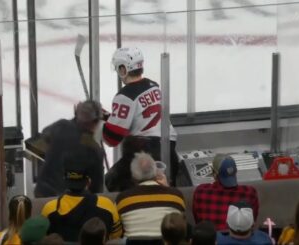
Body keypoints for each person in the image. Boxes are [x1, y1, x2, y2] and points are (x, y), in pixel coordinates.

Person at [102, 46, 179, 191]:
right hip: (169, 149)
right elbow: (139, 117)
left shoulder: (125, 96)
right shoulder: (153, 86)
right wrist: (107, 117)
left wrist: (101, 123)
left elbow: (112, 138)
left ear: (124, 69)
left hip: (145, 153)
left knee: (110, 181)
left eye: (119, 68)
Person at [41, 148, 122, 242]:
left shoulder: (50, 209)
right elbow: (116, 237)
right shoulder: (106, 205)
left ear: (64, 179)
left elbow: (44, 239)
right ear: (88, 181)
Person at [34, 100, 104, 197]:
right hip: (72, 201)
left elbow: (37, 147)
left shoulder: (59, 126)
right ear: (94, 122)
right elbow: (97, 188)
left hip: (43, 192)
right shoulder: (93, 149)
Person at [115, 152, 186, 244]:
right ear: (156, 172)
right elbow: (181, 224)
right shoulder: (176, 196)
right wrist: (168, 188)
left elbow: (117, 231)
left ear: (133, 177)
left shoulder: (122, 199)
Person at [192, 154, 259, 231]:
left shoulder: (200, 191)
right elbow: (250, 223)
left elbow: (198, 222)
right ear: (236, 172)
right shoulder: (249, 193)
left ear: (214, 173)